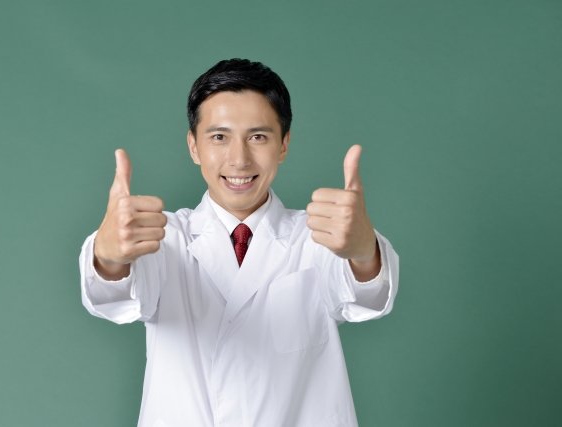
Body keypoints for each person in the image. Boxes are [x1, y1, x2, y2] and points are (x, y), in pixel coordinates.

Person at [79, 58, 399, 427]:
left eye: (258, 137)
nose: (239, 159)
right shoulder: (165, 238)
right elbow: (115, 297)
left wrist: (363, 252)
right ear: (194, 146)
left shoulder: (317, 237)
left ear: (284, 145)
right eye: (219, 137)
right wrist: (109, 257)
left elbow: (367, 298)